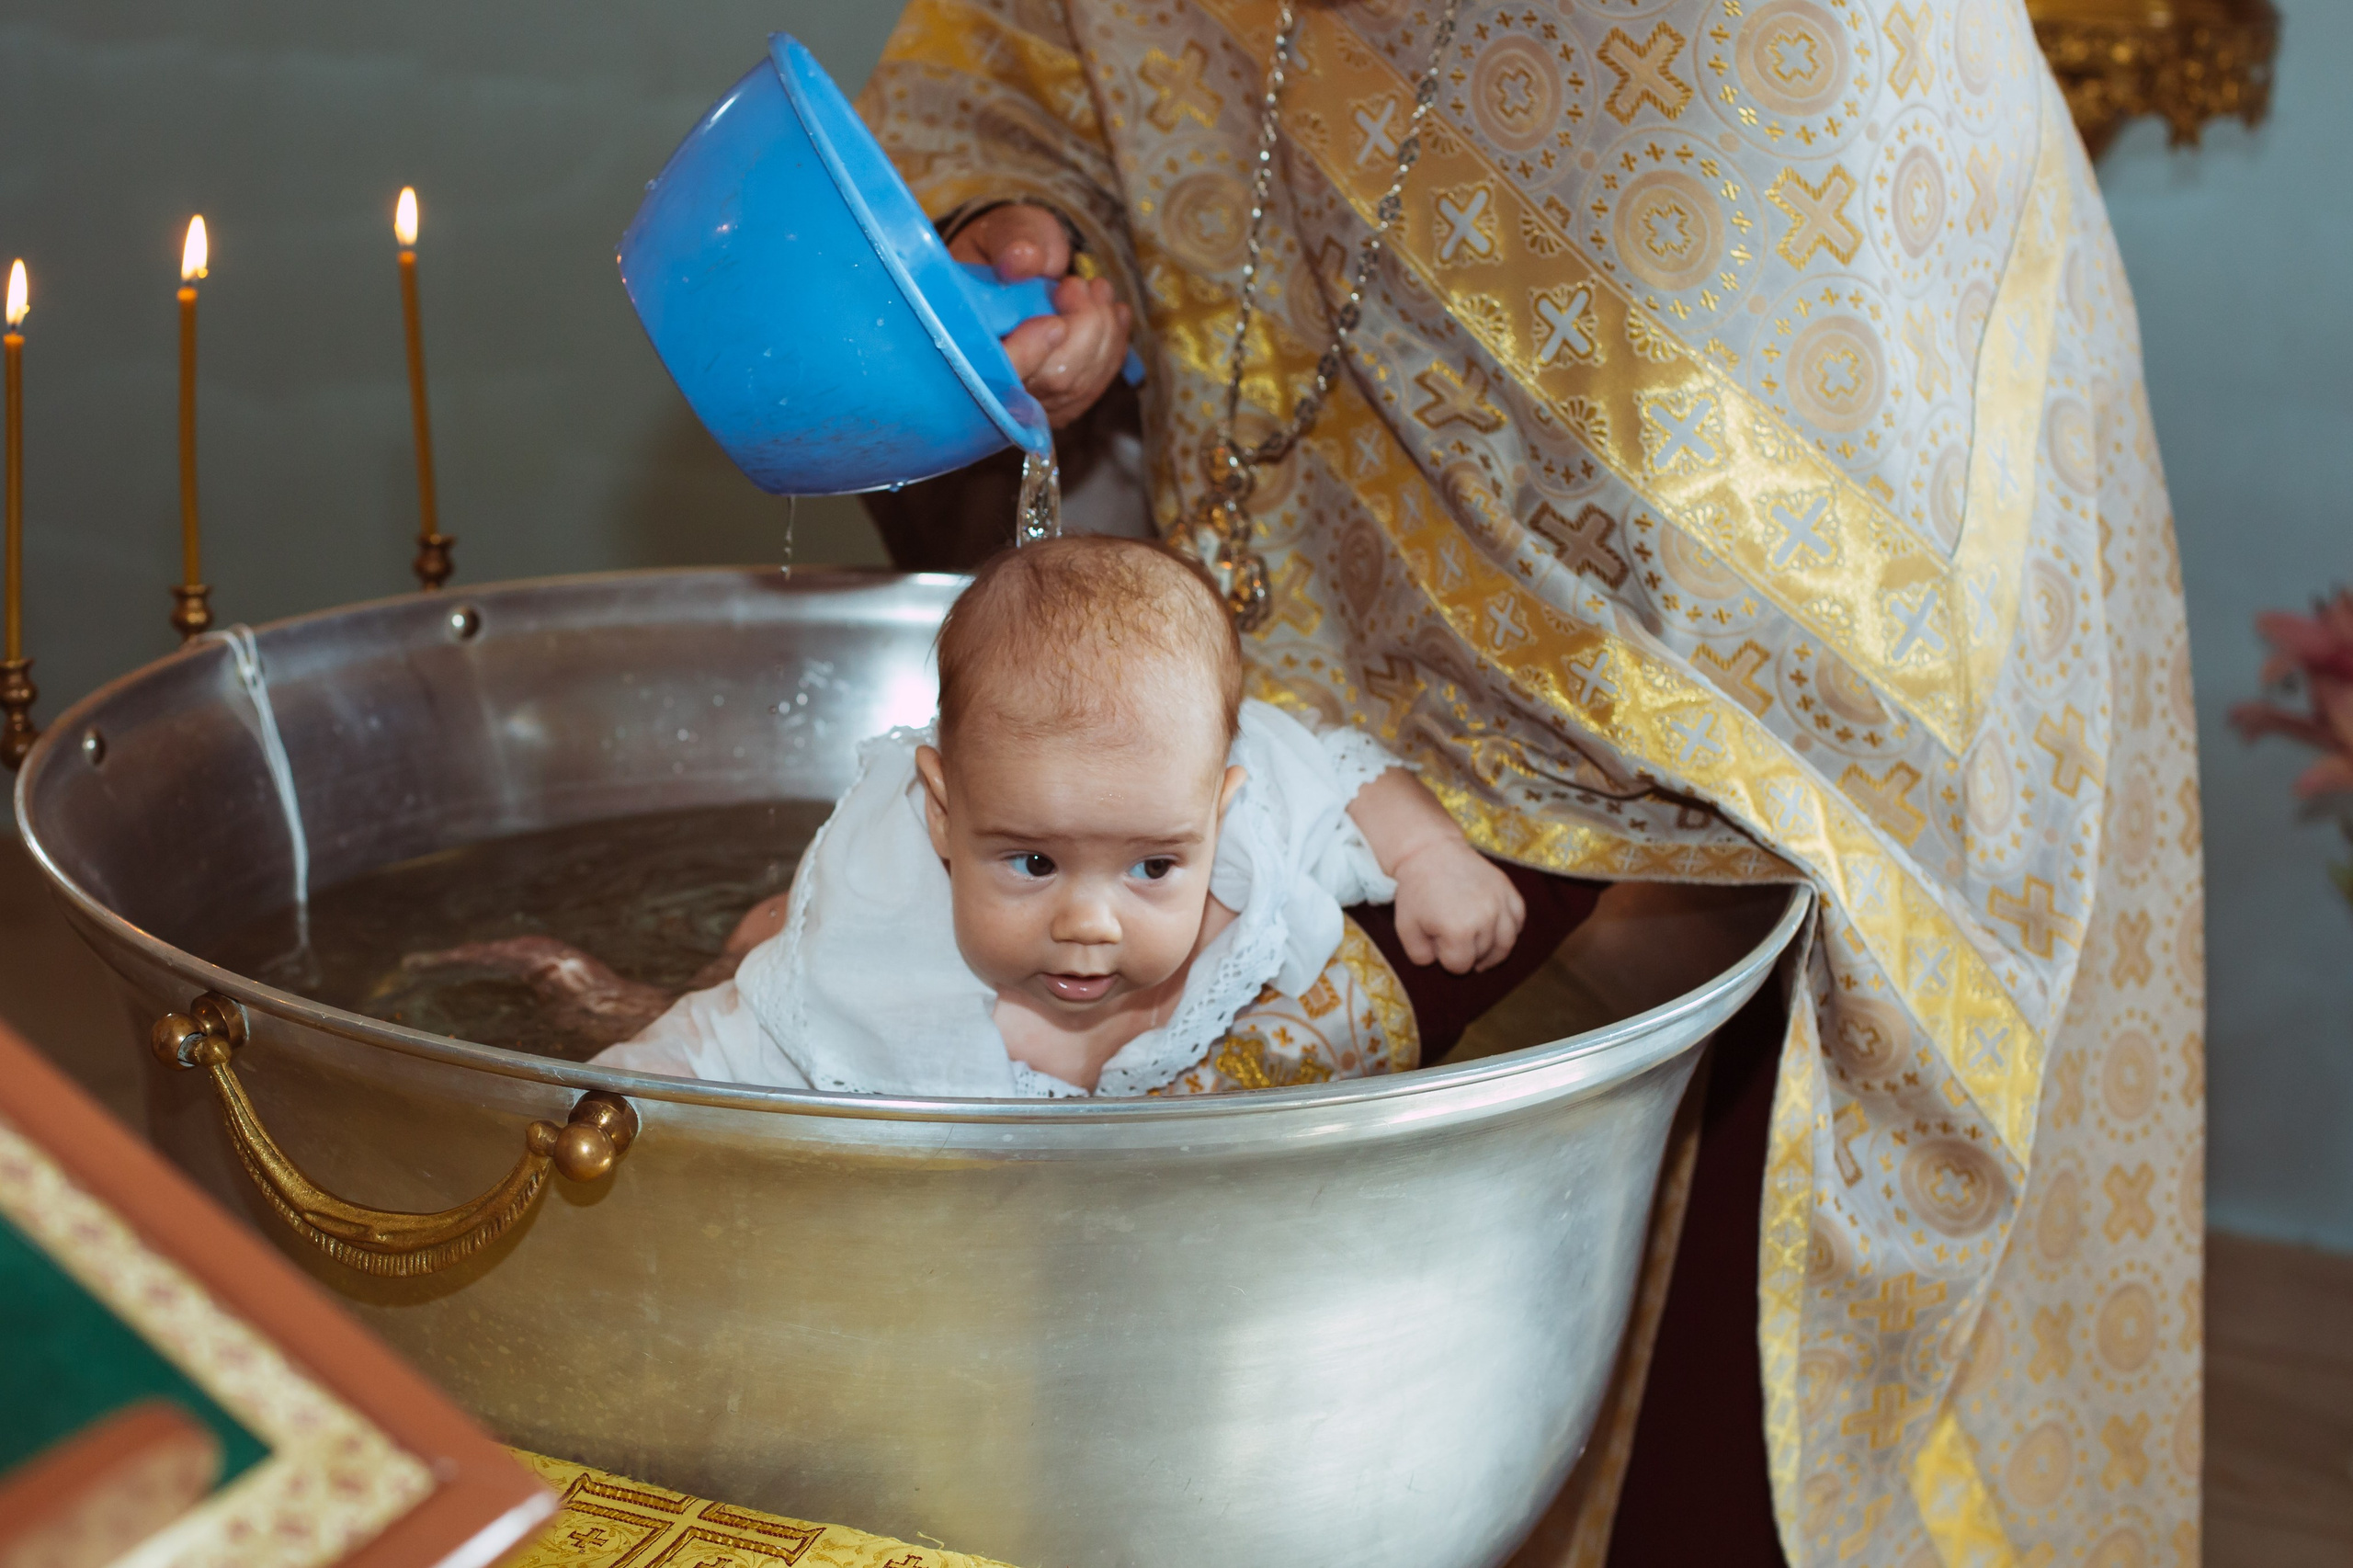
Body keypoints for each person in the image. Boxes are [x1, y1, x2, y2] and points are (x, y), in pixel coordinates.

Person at [853, 1, 2205, 1562]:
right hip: (1353, 685)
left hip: (1782, 717)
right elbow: (1023, 66)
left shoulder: (1762, 60)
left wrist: (1290, 987)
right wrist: (1021, 241)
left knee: (1736, 1393)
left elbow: (1698, 633)